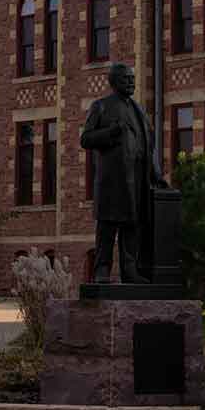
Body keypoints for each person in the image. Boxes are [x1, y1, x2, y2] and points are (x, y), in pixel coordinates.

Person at [80, 63, 165, 283]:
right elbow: (86, 139)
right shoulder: (101, 106)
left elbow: (150, 145)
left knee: (132, 227)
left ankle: (130, 271)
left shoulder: (139, 110)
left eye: (132, 78)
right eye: (126, 78)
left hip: (137, 178)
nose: (131, 82)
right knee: (107, 227)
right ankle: (102, 271)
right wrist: (110, 132)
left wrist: (156, 173)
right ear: (114, 81)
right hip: (112, 180)